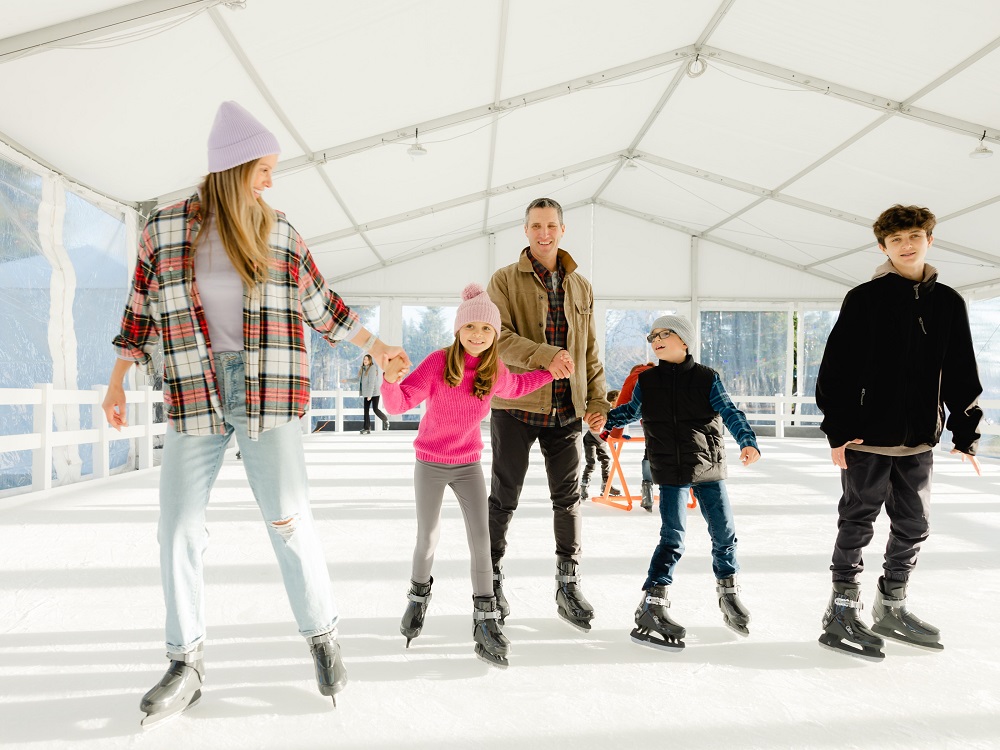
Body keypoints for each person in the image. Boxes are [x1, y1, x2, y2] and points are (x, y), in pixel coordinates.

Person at [102, 101, 408, 725]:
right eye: (263, 168)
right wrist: (116, 384)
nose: (270, 181)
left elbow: (325, 306)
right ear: (234, 167)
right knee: (177, 529)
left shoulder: (280, 234)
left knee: (289, 523)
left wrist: (378, 346)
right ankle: (185, 661)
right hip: (195, 394)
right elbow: (137, 315)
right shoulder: (162, 231)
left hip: (269, 397)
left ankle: (323, 637)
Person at [815, 204, 982, 661]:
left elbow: (962, 369)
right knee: (858, 519)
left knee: (914, 523)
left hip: (919, 439)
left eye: (914, 236)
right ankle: (842, 608)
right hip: (866, 436)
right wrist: (839, 430)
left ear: (929, 238)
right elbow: (837, 368)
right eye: (896, 240)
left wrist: (965, 431)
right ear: (883, 247)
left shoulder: (948, 301)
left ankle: (891, 604)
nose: (906, 245)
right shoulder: (865, 298)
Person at [379, 283, 555, 668]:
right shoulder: (439, 362)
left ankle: (485, 619)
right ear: (458, 330)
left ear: (495, 334)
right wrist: (390, 381)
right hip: (430, 462)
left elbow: (520, 384)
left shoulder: (494, 370)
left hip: (468, 465)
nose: (478, 335)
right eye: (471, 328)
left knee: (481, 541)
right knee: (428, 536)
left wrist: (550, 372)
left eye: (486, 329)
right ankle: (418, 598)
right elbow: (400, 403)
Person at [486, 197, 610, 633]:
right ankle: (491, 579)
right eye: (536, 225)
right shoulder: (502, 280)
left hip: (567, 412)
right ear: (525, 230)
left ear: (562, 229)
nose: (544, 233)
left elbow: (590, 351)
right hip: (516, 407)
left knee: (569, 499)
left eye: (551, 225)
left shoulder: (581, 286)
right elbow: (494, 338)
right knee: (504, 496)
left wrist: (597, 403)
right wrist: (544, 356)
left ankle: (568, 582)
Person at [604, 315, 761, 650]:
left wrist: (747, 440)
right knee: (672, 537)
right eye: (653, 336)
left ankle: (728, 593)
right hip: (668, 467)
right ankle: (653, 603)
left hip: (706, 464)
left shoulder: (706, 378)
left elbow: (730, 412)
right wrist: (604, 418)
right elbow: (631, 411)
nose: (656, 340)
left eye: (665, 334)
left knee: (724, 532)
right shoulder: (648, 380)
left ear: (685, 340)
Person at [609, 362, 656, 511]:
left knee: (650, 450)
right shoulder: (660, 372)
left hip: (651, 418)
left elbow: (623, 403)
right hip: (671, 417)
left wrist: (615, 434)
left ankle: (647, 490)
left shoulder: (633, 378)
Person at [580, 389, 621, 500]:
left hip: (602, 441)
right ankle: (583, 486)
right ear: (612, 401)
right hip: (591, 439)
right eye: (617, 401)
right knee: (591, 463)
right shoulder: (606, 411)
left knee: (606, 461)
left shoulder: (618, 413)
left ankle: (606, 487)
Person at [358, 353, 389, 434]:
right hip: (367, 393)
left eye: (367, 359)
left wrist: (370, 395)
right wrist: (346, 380)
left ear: (370, 360)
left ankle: (385, 419)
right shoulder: (363, 369)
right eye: (364, 359)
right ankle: (367, 429)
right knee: (366, 411)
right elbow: (358, 379)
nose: (365, 361)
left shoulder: (372, 368)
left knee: (375, 409)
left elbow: (371, 383)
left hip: (374, 393)